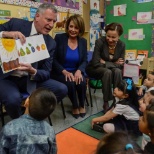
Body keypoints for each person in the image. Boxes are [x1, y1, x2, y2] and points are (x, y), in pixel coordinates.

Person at [0, 3, 68, 119]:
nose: (51, 25)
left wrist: (33, 71)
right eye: (48, 20)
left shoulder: (51, 43)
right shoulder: (15, 24)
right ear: (37, 16)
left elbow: (46, 72)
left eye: (54, 21)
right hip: (7, 77)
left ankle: (33, 117)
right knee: (13, 99)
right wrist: (5, 34)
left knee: (62, 89)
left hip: (31, 79)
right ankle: (20, 122)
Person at [0, 88, 57, 154]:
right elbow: (53, 151)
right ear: (47, 115)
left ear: (26, 102)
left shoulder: (9, 128)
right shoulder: (50, 130)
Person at [51, 14, 87, 118]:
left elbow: (84, 60)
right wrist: (64, 71)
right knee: (70, 81)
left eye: (76, 27)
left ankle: (82, 105)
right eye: (71, 26)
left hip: (75, 71)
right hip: (60, 72)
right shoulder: (59, 38)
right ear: (67, 26)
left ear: (80, 29)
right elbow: (53, 59)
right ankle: (75, 106)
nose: (73, 30)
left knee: (82, 81)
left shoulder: (83, 41)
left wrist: (80, 70)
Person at [86, 22, 125, 111]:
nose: (110, 39)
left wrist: (105, 62)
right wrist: (114, 62)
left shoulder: (122, 45)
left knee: (118, 71)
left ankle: (116, 100)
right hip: (94, 69)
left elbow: (121, 65)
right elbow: (95, 62)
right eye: (108, 36)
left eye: (113, 37)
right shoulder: (100, 42)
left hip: (109, 69)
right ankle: (106, 102)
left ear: (119, 36)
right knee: (108, 72)